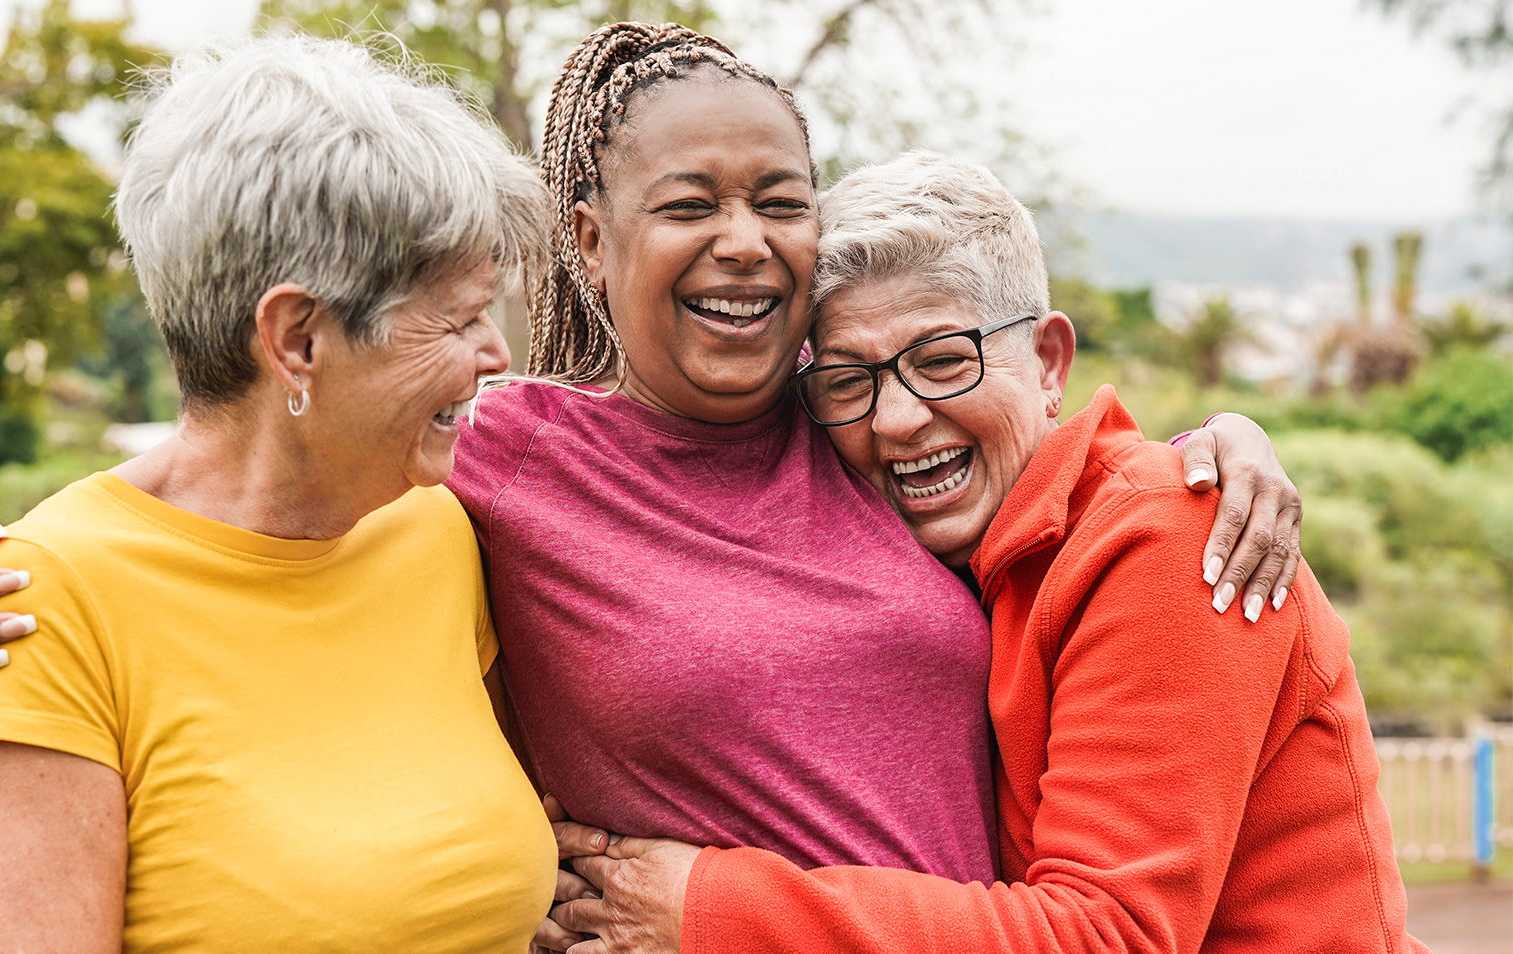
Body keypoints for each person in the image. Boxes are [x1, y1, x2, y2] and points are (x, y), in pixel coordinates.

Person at [0, 23, 1307, 953]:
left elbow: (1019, 434)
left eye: (781, 200)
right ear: (588, 231)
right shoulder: (492, 462)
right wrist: (9, 573)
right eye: (689, 204)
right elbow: (239, 475)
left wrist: (1219, 444)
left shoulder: (858, 420)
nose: (745, 243)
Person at [548, 153, 1422, 953]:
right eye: (851, 380)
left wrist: (707, 907)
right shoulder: (955, 547)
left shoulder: (1171, 540)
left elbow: (1105, 937)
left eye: (942, 360)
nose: (896, 419)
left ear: (1048, 360)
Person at [0, 36, 558, 953]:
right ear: (296, 339)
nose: (497, 355)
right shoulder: (30, 609)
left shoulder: (436, 523)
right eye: (457, 318)